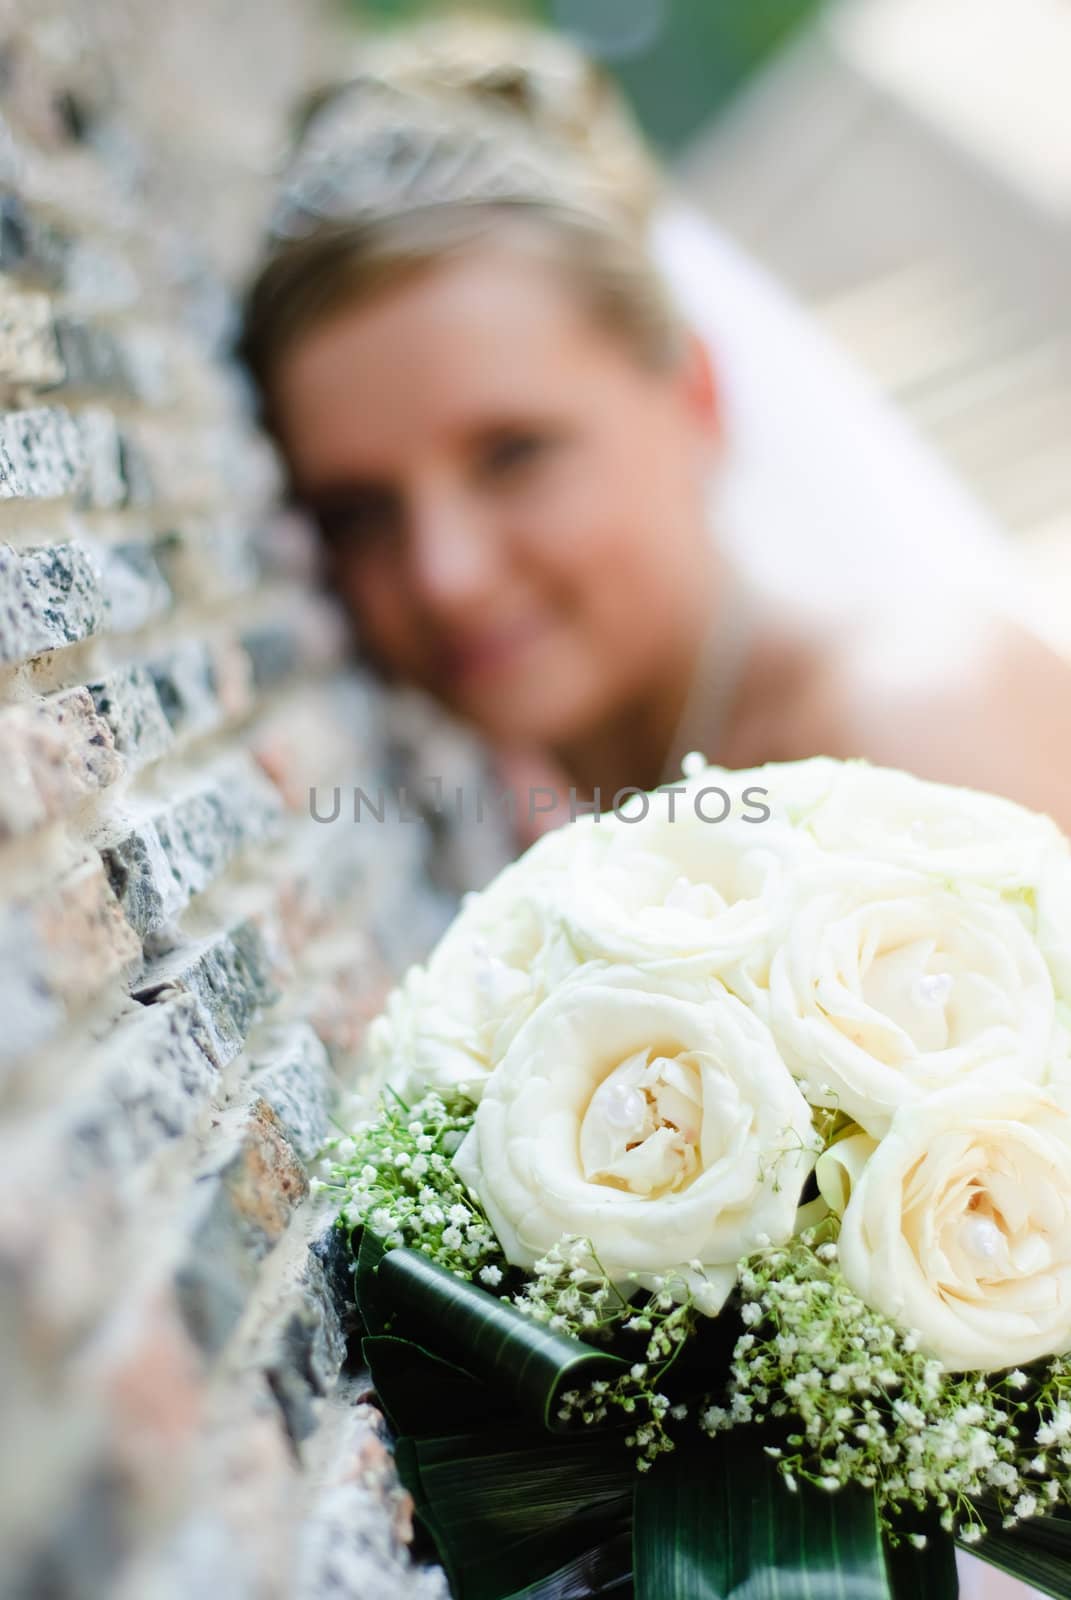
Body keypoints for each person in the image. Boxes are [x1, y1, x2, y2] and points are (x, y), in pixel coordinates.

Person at [239, 19, 1071, 857]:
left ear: (693, 394)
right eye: (358, 514)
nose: (444, 576)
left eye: (511, 456)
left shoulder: (910, 729)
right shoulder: (560, 826)